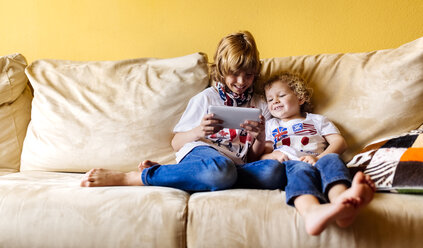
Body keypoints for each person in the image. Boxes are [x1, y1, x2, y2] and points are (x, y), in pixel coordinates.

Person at [80, 31, 284, 191]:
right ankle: (138, 177)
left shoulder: (261, 104)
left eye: (248, 75)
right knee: (221, 169)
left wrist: (259, 137)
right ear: (222, 69)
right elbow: (176, 143)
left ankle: (186, 175)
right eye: (234, 74)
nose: (241, 82)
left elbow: (252, 159)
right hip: (203, 154)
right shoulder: (206, 98)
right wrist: (199, 131)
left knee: (274, 172)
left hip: (236, 165)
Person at [261, 73, 375, 235]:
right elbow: (263, 155)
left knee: (333, 159)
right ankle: (311, 212)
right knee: (299, 170)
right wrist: (274, 156)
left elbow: (339, 142)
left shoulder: (317, 120)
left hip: (319, 161)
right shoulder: (271, 125)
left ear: (300, 98)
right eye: (270, 99)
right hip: (293, 165)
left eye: (281, 95)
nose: (275, 101)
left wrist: (319, 158)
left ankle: (342, 201)